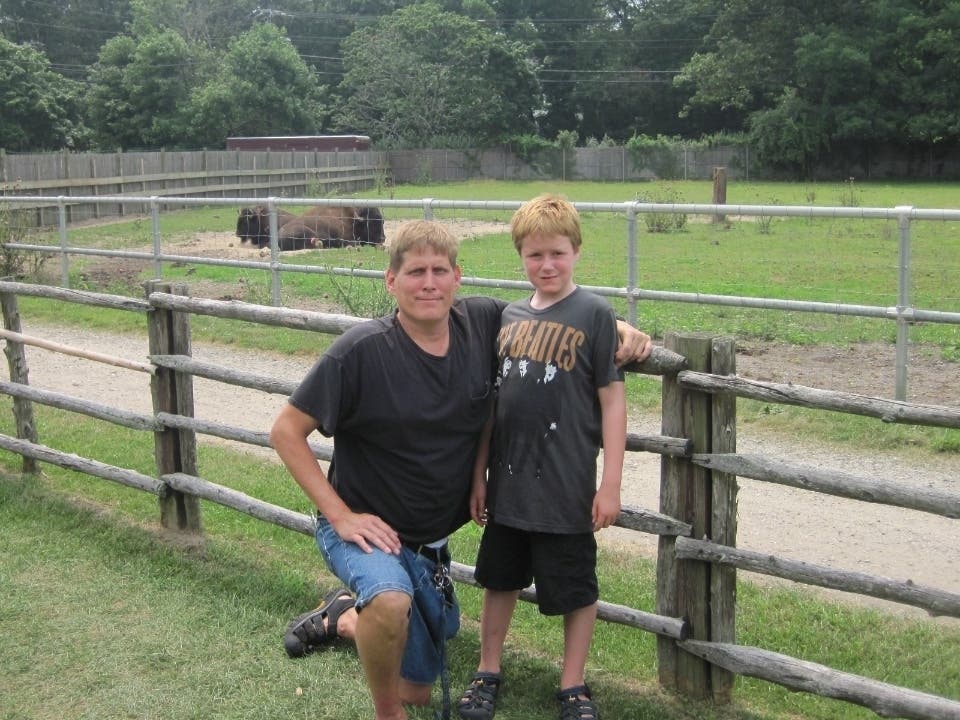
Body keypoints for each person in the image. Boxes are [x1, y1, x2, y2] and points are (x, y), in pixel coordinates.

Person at [270, 219, 651, 720]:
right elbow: (284, 432)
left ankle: (343, 618)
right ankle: (388, 709)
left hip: (429, 541)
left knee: (417, 685)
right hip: (367, 532)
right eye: (415, 272)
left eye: (439, 271)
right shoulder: (359, 351)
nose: (429, 283)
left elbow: (561, 312)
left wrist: (619, 328)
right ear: (391, 282)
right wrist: (341, 516)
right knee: (390, 604)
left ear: (457, 278)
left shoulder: (482, 322)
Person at [457, 194, 626, 720]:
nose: (546, 265)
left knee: (575, 588)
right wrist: (480, 475)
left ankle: (572, 685)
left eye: (556, 253)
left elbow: (612, 400)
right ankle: (488, 670)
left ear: (576, 251)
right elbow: (493, 405)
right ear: (520, 257)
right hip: (508, 485)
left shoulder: (596, 314)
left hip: (566, 485)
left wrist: (612, 482)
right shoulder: (507, 317)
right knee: (499, 579)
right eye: (534, 255)